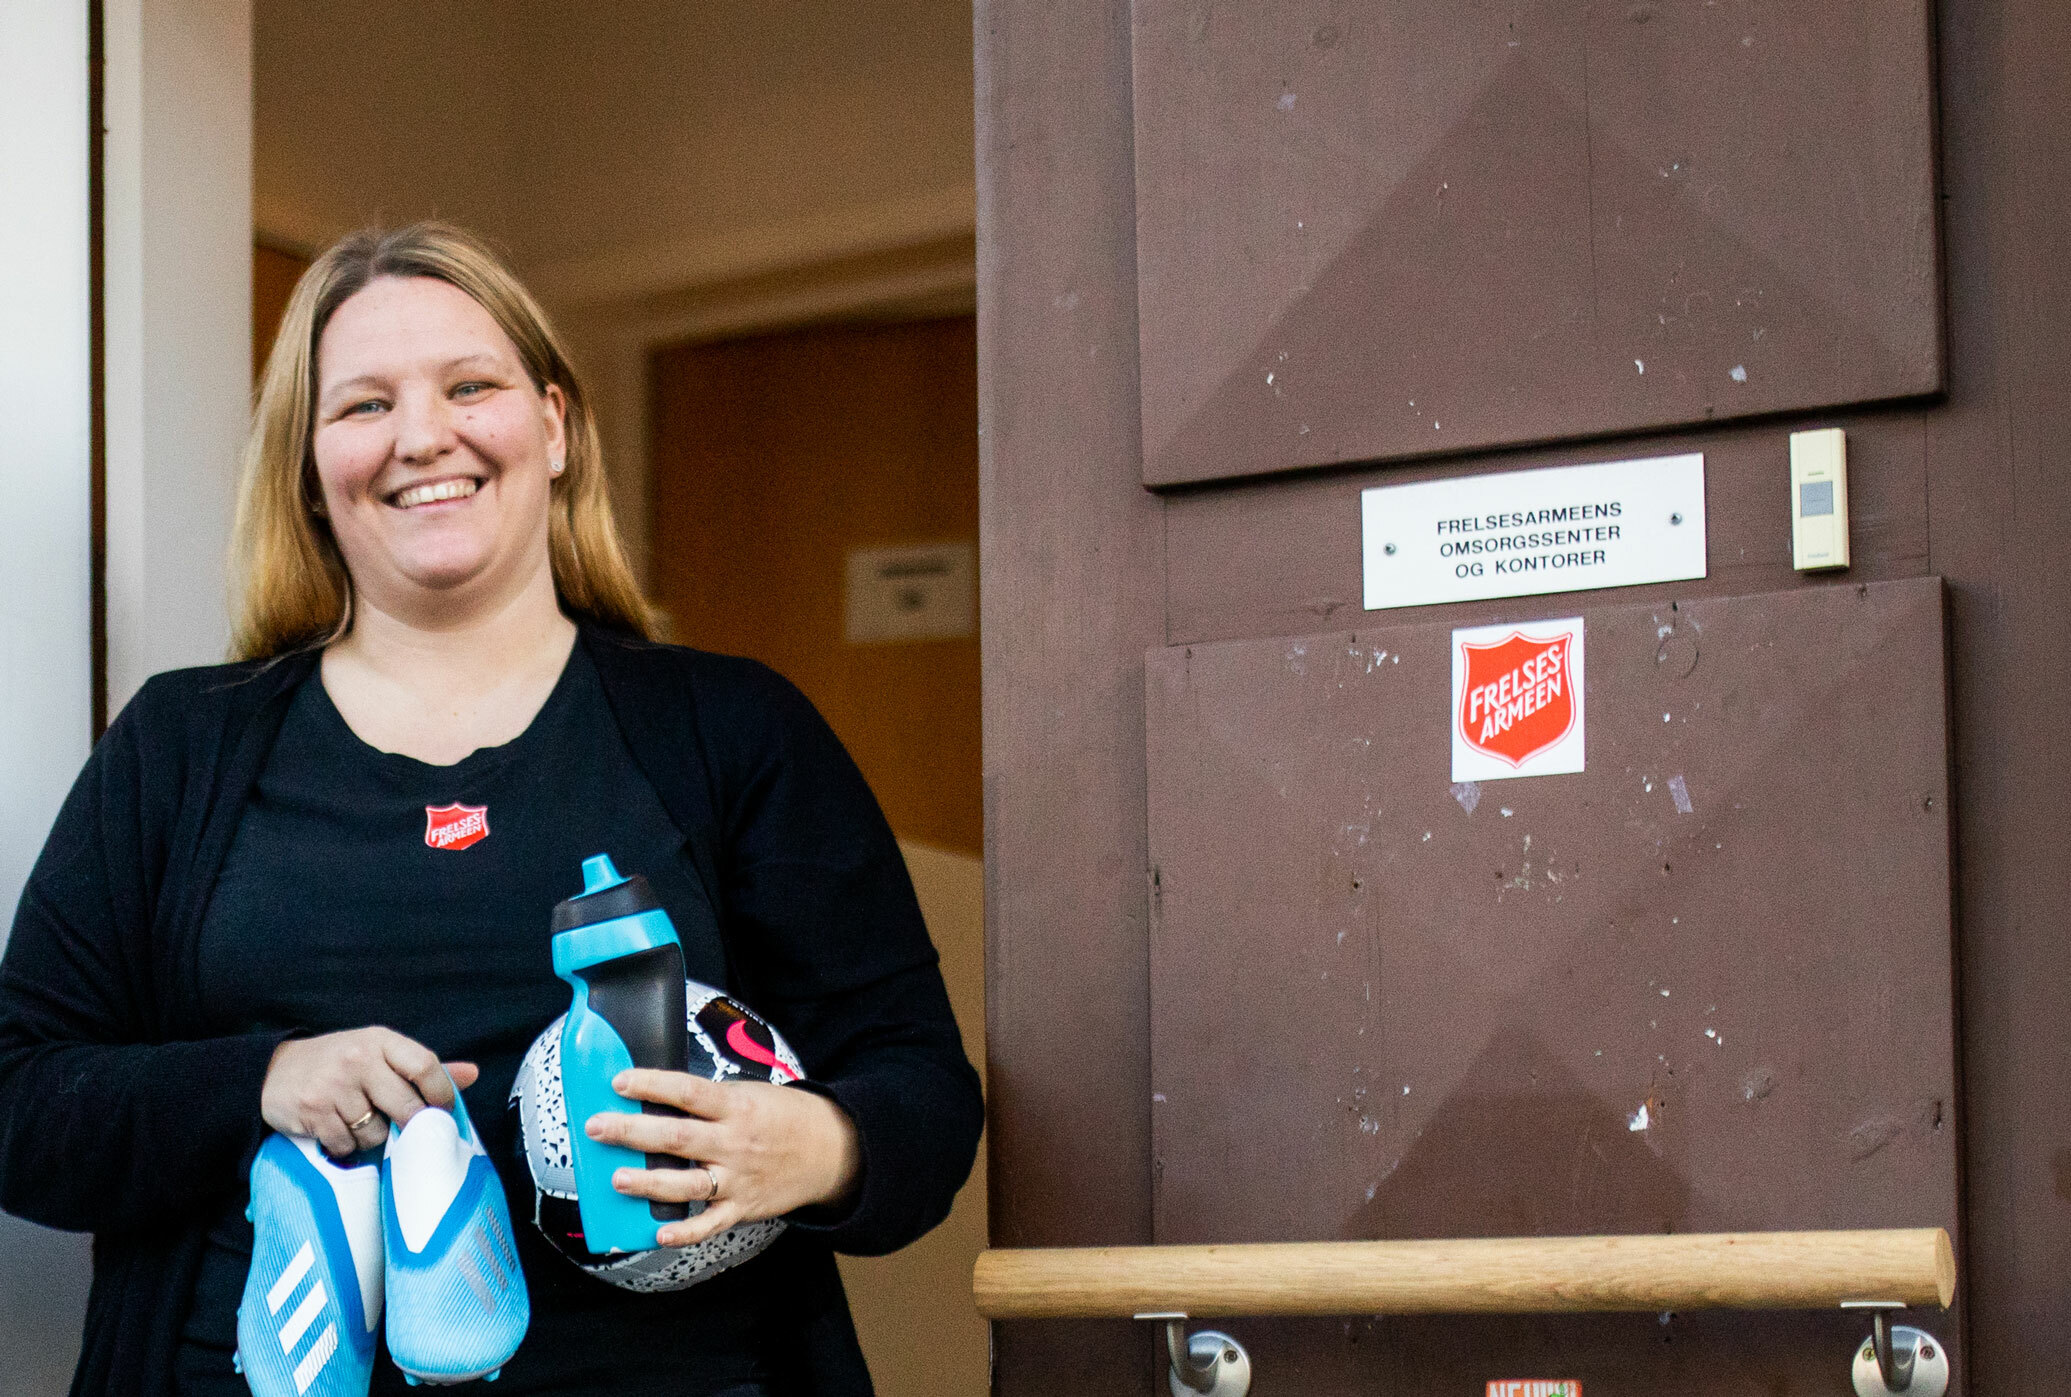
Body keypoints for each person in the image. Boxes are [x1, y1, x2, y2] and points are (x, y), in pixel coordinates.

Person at [0, 222, 984, 1397]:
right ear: (308, 468)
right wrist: (259, 1080)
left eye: (470, 386)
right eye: (365, 404)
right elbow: (19, 1100)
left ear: (555, 427)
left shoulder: (731, 729)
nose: (423, 435)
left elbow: (921, 1089)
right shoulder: (180, 747)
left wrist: (814, 1144)